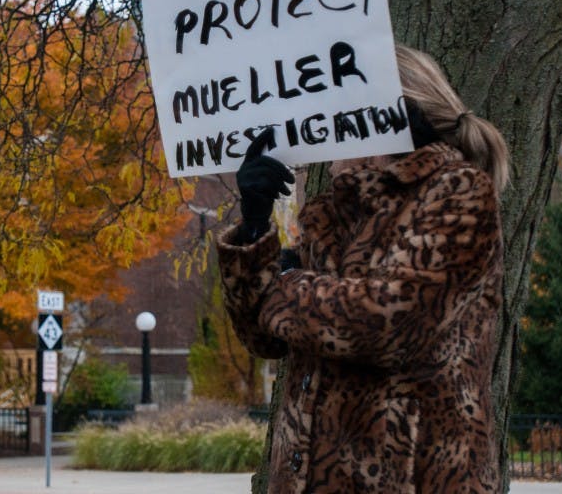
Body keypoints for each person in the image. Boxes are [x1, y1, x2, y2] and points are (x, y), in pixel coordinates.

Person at [217, 45, 509, 493]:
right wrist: (255, 228)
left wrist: (285, 281)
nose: (319, 125)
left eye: (333, 109)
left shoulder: (459, 191)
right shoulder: (327, 215)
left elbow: (387, 324)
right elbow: (264, 336)